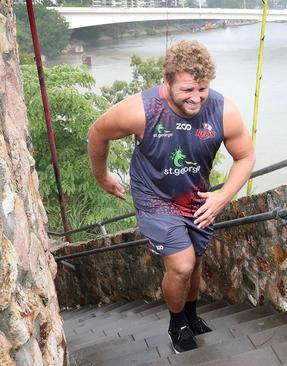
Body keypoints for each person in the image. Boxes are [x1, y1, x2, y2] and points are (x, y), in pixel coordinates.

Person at [87, 40, 255, 353]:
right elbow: (98, 132)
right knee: (182, 265)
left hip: (197, 196)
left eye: (202, 89)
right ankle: (176, 323)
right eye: (188, 90)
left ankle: (191, 315)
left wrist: (222, 197)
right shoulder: (142, 111)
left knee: (197, 260)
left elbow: (245, 156)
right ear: (167, 81)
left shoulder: (223, 111)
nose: (196, 98)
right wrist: (102, 176)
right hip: (155, 198)